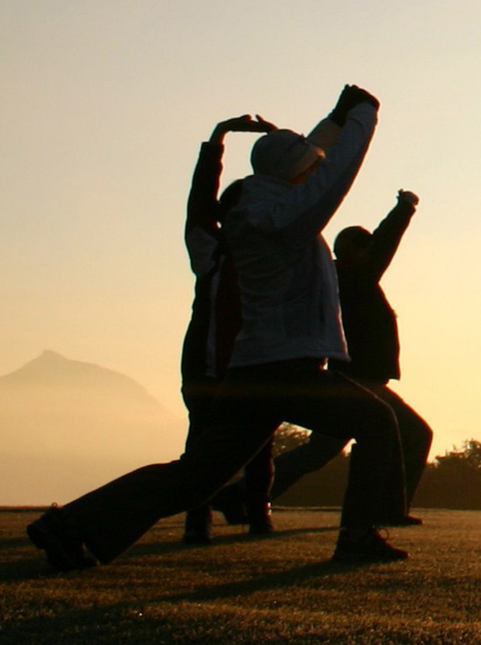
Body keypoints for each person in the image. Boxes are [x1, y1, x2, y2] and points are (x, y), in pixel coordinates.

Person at [27, 84, 414, 569]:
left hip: (254, 370)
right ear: (291, 174)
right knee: (376, 422)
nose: (312, 169)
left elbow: (307, 159)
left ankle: (67, 528)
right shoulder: (283, 217)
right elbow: (332, 174)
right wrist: (363, 116)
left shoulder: (263, 206)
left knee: (195, 478)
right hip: (285, 370)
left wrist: (335, 118)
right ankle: (356, 537)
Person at [210, 191, 432, 525]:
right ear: (352, 251)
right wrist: (404, 209)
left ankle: (239, 494)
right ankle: (386, 510)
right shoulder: (354, 276)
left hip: (356, 376)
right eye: (365, 247)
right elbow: (383, 244)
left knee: (318, 452)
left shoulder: (342, 278)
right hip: (361, 378)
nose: (371, 252)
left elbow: (377, 246)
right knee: (415, 434)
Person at [176, 112, 277, 544]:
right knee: (205, 442)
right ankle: (199, 520)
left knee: (259, 445)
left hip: (255, 358)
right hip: (210, 361)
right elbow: (200, 199)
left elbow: (297, 191)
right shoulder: (211, 249)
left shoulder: (271, 247)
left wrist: (278, 145)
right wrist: (218, 139)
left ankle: (257, 516)